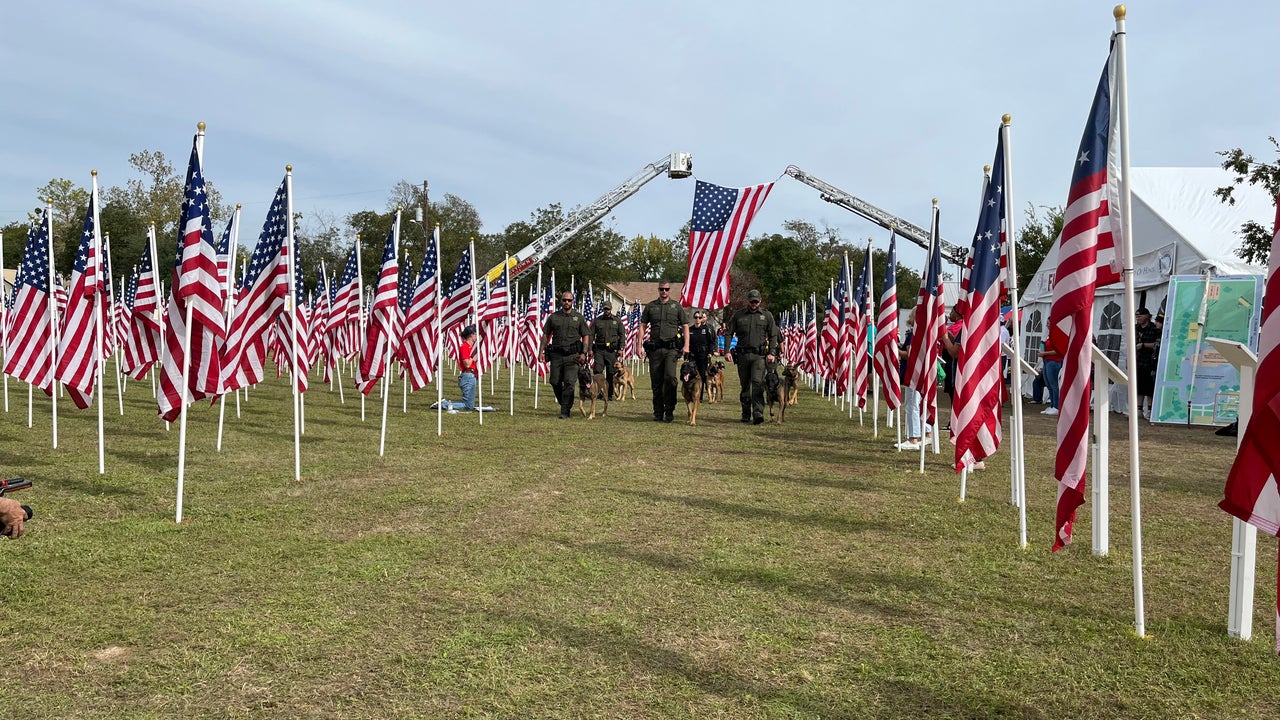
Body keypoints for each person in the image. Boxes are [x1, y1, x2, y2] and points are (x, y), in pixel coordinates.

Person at [726, 289, 781, 425]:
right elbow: (728, 333)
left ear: (760, 301)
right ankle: (746, 413)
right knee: (745, 385)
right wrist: (727, 351)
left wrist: (772, 352)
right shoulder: (738, 316)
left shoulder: (766, 316)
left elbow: (773, 334)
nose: (754, 304)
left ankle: (758, 412)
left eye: (756, 301)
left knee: (757, 383)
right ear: (748, 301)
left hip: (759, 356)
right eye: (752, 301)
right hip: (743, 355)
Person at [641, 281, 690, 422]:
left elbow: (685, 326)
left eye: (667, 289)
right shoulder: (651, 306)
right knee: (656, 381)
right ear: (658, 290)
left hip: (671, 350)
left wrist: (686, 345)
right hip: (655, 349)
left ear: (669, 290)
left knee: (670, 378)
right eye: (662, 289)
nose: (664, 291)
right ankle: (658, 412)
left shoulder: (676, 306)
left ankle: (669, 410)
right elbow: (643, 326)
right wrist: (638, 345)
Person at [540, 290, 589, 419]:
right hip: (556, 355)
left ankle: (565, 411)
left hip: (573, 356)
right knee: (554, 381)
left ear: (573, 302)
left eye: (569, 300)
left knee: (569, 382)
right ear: (560, 301)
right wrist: (541, 351)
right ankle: (565, 402)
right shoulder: (554, 317)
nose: (567, 302)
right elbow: (545, 335)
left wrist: (584, 353)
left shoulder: (579, 318)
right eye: (564, 300)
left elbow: (585, 336)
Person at [895, 317, 926, 449]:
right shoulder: (922, 333)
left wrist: (895, 350)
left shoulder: (914, 335)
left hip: (913, 373)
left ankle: (913, 438)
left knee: (912, 405)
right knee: (917, 404)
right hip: (920, 373)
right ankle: (926, 434)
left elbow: (909, 354)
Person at [589, 299, 626, 400]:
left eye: (608, 309)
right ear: (603, 309)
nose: (607, 311)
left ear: (611, 309)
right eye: (605, 309)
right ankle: (598, 391)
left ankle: (609, 394)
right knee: (598, 371)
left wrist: (621, 348)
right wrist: (590, 349)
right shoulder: (597, 321)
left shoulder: (616, 321)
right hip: (599, 350)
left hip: (611, 351)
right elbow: (591, 335)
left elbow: (622, 335)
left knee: (610, 372)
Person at [1134, 306, 1160, 419]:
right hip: (1138, 361)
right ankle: (1138, 410)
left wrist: (1144, 345)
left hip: (1150, 362)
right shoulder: (1135, 328)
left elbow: (1157, 344)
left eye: (1140, 316)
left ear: (1147, 316)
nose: (1138, 318)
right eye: (1136, 316)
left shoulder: (1154, 329)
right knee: (1138, 387)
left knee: (1149, 388)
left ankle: (1150, 410)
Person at [688, 310, 715, 402]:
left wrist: (710, 352)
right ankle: (692, 394)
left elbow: (711, 342)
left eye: (699, 317)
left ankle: (700, 396)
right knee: (692, 374)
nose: (698, 319)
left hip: (703, 356)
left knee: (702, 376)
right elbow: (686, 342)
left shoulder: (706, 329)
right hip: (692, 355)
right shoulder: (690, 329)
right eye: (696, 317)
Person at [1038, 334, 1064, 416]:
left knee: (1054, 385)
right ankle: (1052, 405)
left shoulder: (1058, 336)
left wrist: (1044, 353)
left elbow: (1058, 350)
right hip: (1047, 361)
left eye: (1049, 324)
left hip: (1054, 361)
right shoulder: (1049, 336)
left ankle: (1056, 407)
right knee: (1048, 385)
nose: (1047, 325)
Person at [456, 325, 478, 411]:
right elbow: (467, 364)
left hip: (472, 375)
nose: (476, 336)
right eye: (475, 334)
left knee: (470, 404)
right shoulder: (464, 347)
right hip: (467, 375)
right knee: (468, 405)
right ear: (471, 335)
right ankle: (445, 404)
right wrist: (473, 355)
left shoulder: (472, 347)